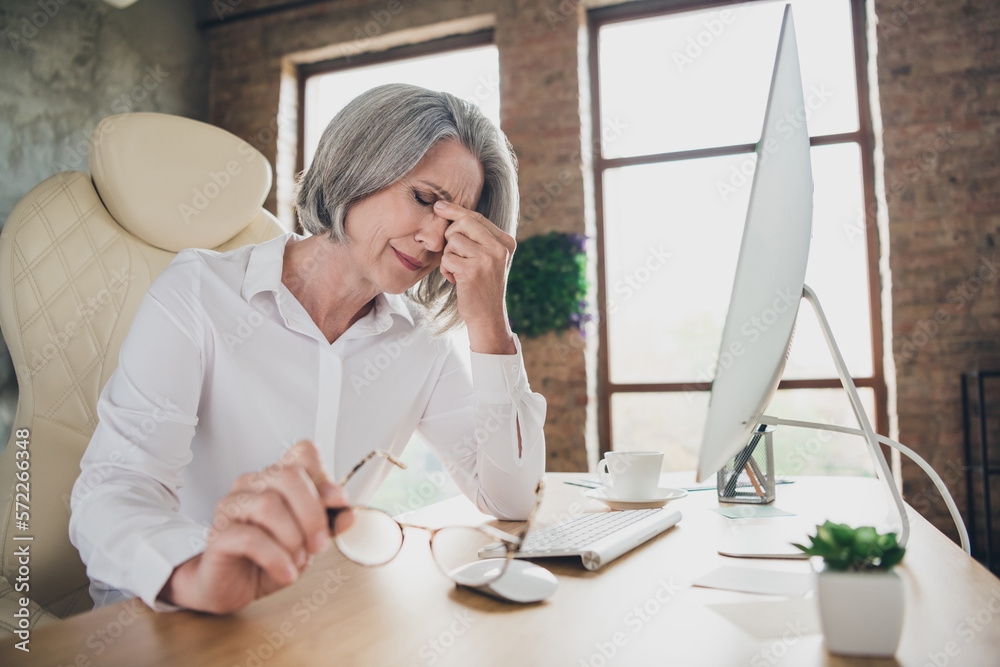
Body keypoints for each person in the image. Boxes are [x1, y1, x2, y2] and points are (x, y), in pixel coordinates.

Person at [68, 84, 546, 615]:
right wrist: (196, 572)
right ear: (358, 168)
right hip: (168, 616)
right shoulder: (200, 293)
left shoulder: (420, 343)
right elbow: (114, 487)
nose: (435, 241)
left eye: (456, 222)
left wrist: (488, 321)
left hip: (314, 618)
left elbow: (511, 498)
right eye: (424, 198)